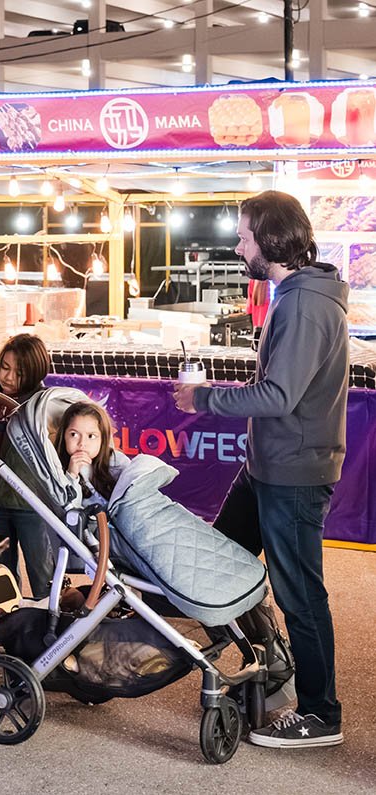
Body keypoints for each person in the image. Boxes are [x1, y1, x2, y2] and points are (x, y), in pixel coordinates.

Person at [174, 190, 347, 750]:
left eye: (245, 234)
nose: (238, 244)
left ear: (271, 239)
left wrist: (203, 399)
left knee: (300, 593)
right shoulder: (294, 294)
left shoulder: (302, 304)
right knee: (219, 564)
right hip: (269, 466)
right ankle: (269, 660)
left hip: (292, 474)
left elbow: (276, 395)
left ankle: (321, 713)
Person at [0, 335, 56, 596]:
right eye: (4, 367)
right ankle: (5, 629)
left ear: (35, 372)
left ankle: (50, 632)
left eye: (19, 372)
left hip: (31, 503)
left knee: (43, 575)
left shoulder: (46, 403)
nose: (8, 377)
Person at [55, 401, 118, 502]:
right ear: (63, 436)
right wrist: (72, 475)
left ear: (102, 440)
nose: (82, 443)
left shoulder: (115, 461)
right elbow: (69, 508)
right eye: (74, 434)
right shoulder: (56, 467)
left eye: (91, 436)